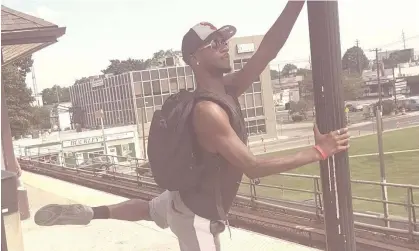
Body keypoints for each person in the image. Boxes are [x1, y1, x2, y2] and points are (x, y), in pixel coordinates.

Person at [34, 1, 350, 250]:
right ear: (194, 59)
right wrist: (319, 151)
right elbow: (253, 166)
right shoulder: (209, 112)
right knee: (160, 211)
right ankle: (93, 214)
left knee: (151, 209)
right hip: (196, 219)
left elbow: (269, 49)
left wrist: (297, 3)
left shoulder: (224, 89)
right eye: (213, 43)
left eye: (223, 40)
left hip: (180, 197)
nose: (224, 45)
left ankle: (92, 213)